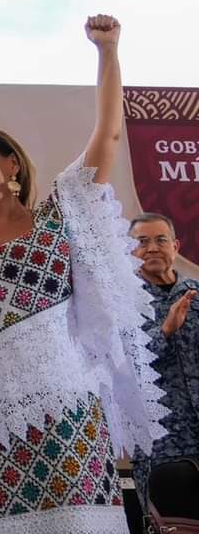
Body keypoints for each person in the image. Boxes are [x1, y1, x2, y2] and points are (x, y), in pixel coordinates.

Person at [0, 15, 167, 533]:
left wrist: (108, 51)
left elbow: (107, 135)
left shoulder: (60, 218)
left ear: (12, 164)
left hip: (66, 417)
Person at [127, 212, 199, 514]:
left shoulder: (195, 293)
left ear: (176, 246)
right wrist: (165, 330)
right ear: (129, 251)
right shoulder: (123, 303)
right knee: (170, 520)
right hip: (161, 440)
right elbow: (125, 365)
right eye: (143, 242)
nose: (153, 248)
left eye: (161, 240)